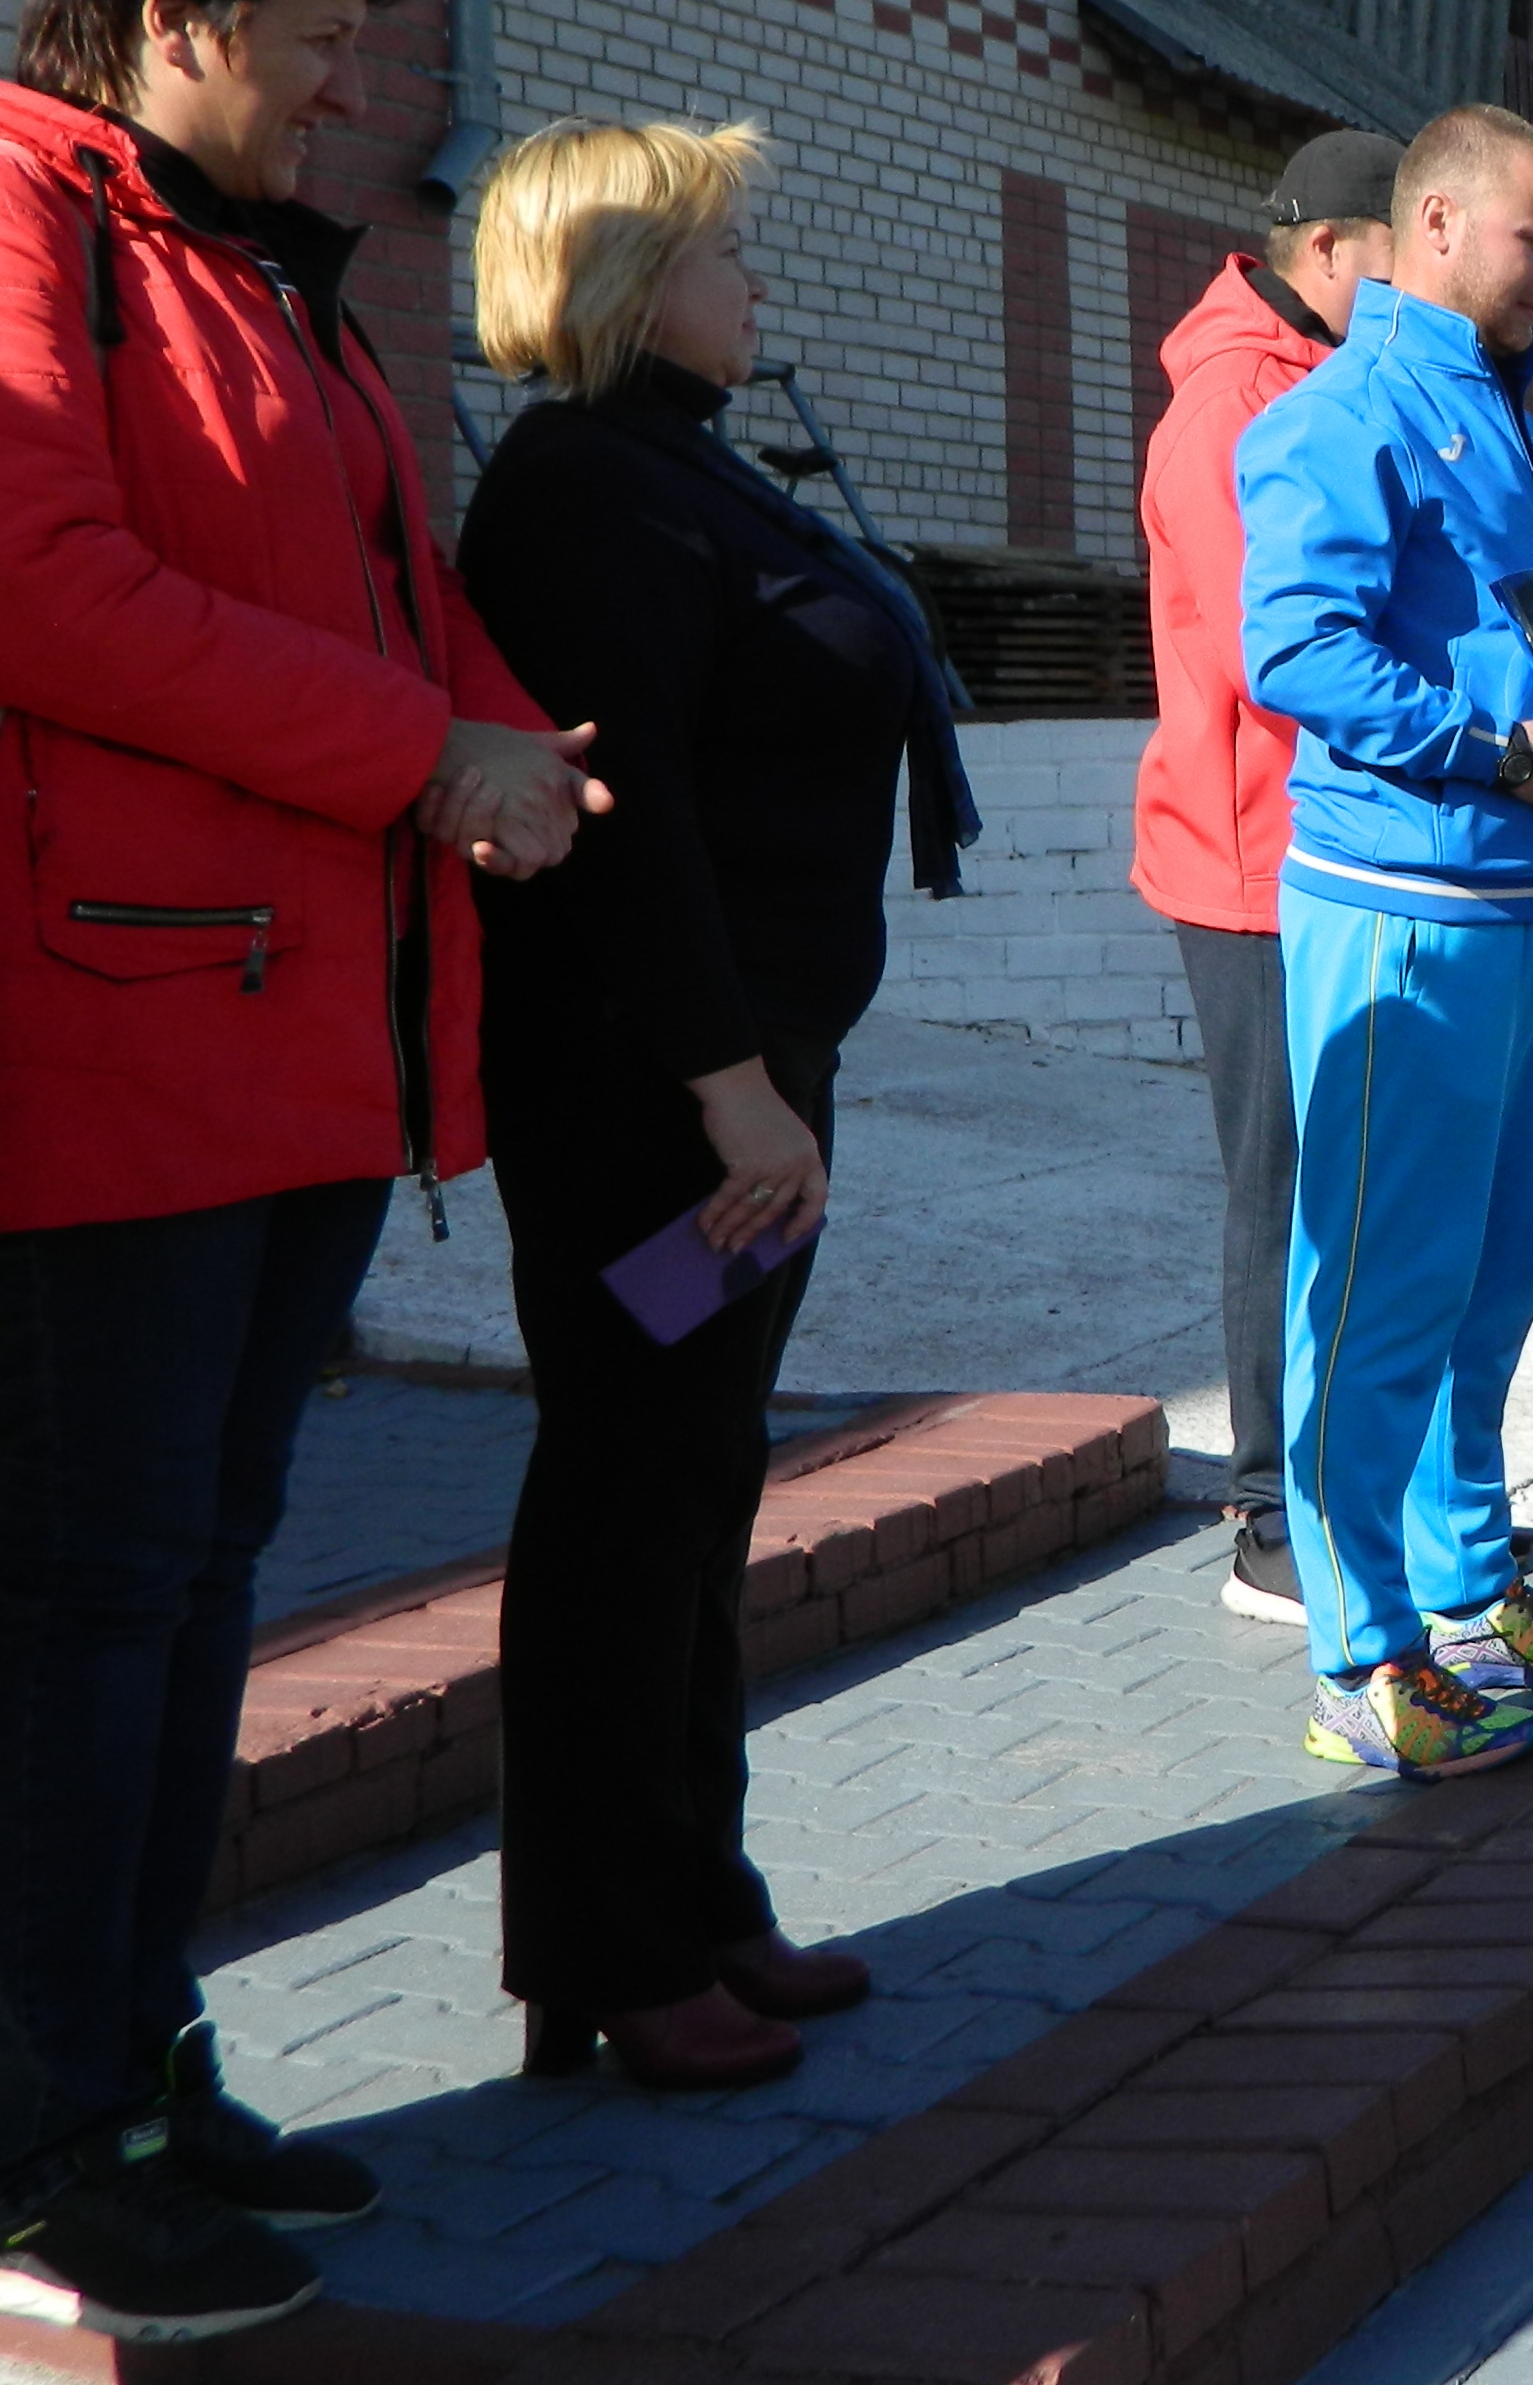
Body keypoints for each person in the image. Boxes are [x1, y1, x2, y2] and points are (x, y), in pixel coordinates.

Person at [0, 0, 601, 2342]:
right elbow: (11, 577)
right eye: (308, 49)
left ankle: (137, 2076)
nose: (342, 94)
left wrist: (503, 729)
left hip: (280, 1035)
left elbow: (386, 590)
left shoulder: (249, 277)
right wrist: (424, 754)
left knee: (180, 1589)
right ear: (171, 18)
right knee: (88, 1587)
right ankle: (28, 2156)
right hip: (100, 1027)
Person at [461, 118, 972, 2088]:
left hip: (750, 1074)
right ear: (621, 281)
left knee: (699, 1479)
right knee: (624, 1492)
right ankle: (601, 1946)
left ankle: (699, 1890)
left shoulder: (673, 465)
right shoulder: (587, 491)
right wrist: (734, 1090)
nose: (761, 286)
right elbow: (625, 823)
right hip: (659, 1095)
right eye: (726, 253)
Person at [1235, 103, 1533, 1780]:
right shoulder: (1338, 417)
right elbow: (1296, 653)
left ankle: (1472, 1596)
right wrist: (1499, 751)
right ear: (1435, 231)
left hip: (1521, 900)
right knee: (1374, 1297)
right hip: (1401, 912)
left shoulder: (1516, 420)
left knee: (1495, 1275)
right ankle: (1359, 1655)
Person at [1131, 126, 1399, 1626]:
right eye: (1399, 259)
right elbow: (1272, 648)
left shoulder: (1323, 377)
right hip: (1253, 855)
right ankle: (1263, 1521)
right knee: (1285, 1186)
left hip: (1325, 839)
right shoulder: (1235, 397)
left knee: (1348, 1185)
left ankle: (1340, 1494)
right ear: (1328, 252)